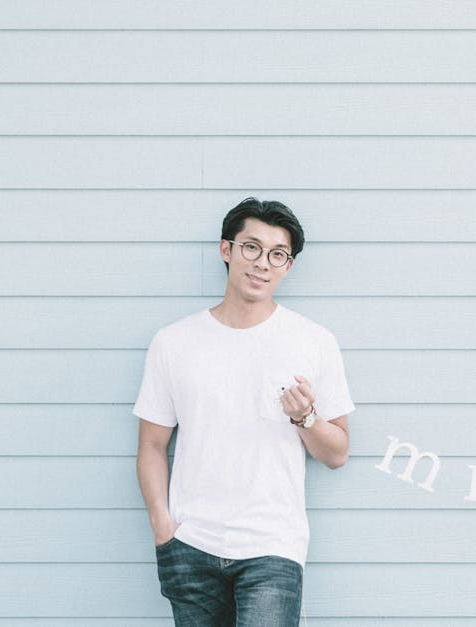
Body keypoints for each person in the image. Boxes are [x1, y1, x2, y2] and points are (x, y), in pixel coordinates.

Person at [134, 198, 354, 626]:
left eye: (277, 254)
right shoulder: (174, 342)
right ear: (226, 250)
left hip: (273, 547)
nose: (262, 263)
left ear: (287, 266)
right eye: (251, 247)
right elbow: (151, 446)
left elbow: (337, 453)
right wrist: (165, 531)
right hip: (191, 544)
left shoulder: (313, 341)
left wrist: (306, 417)